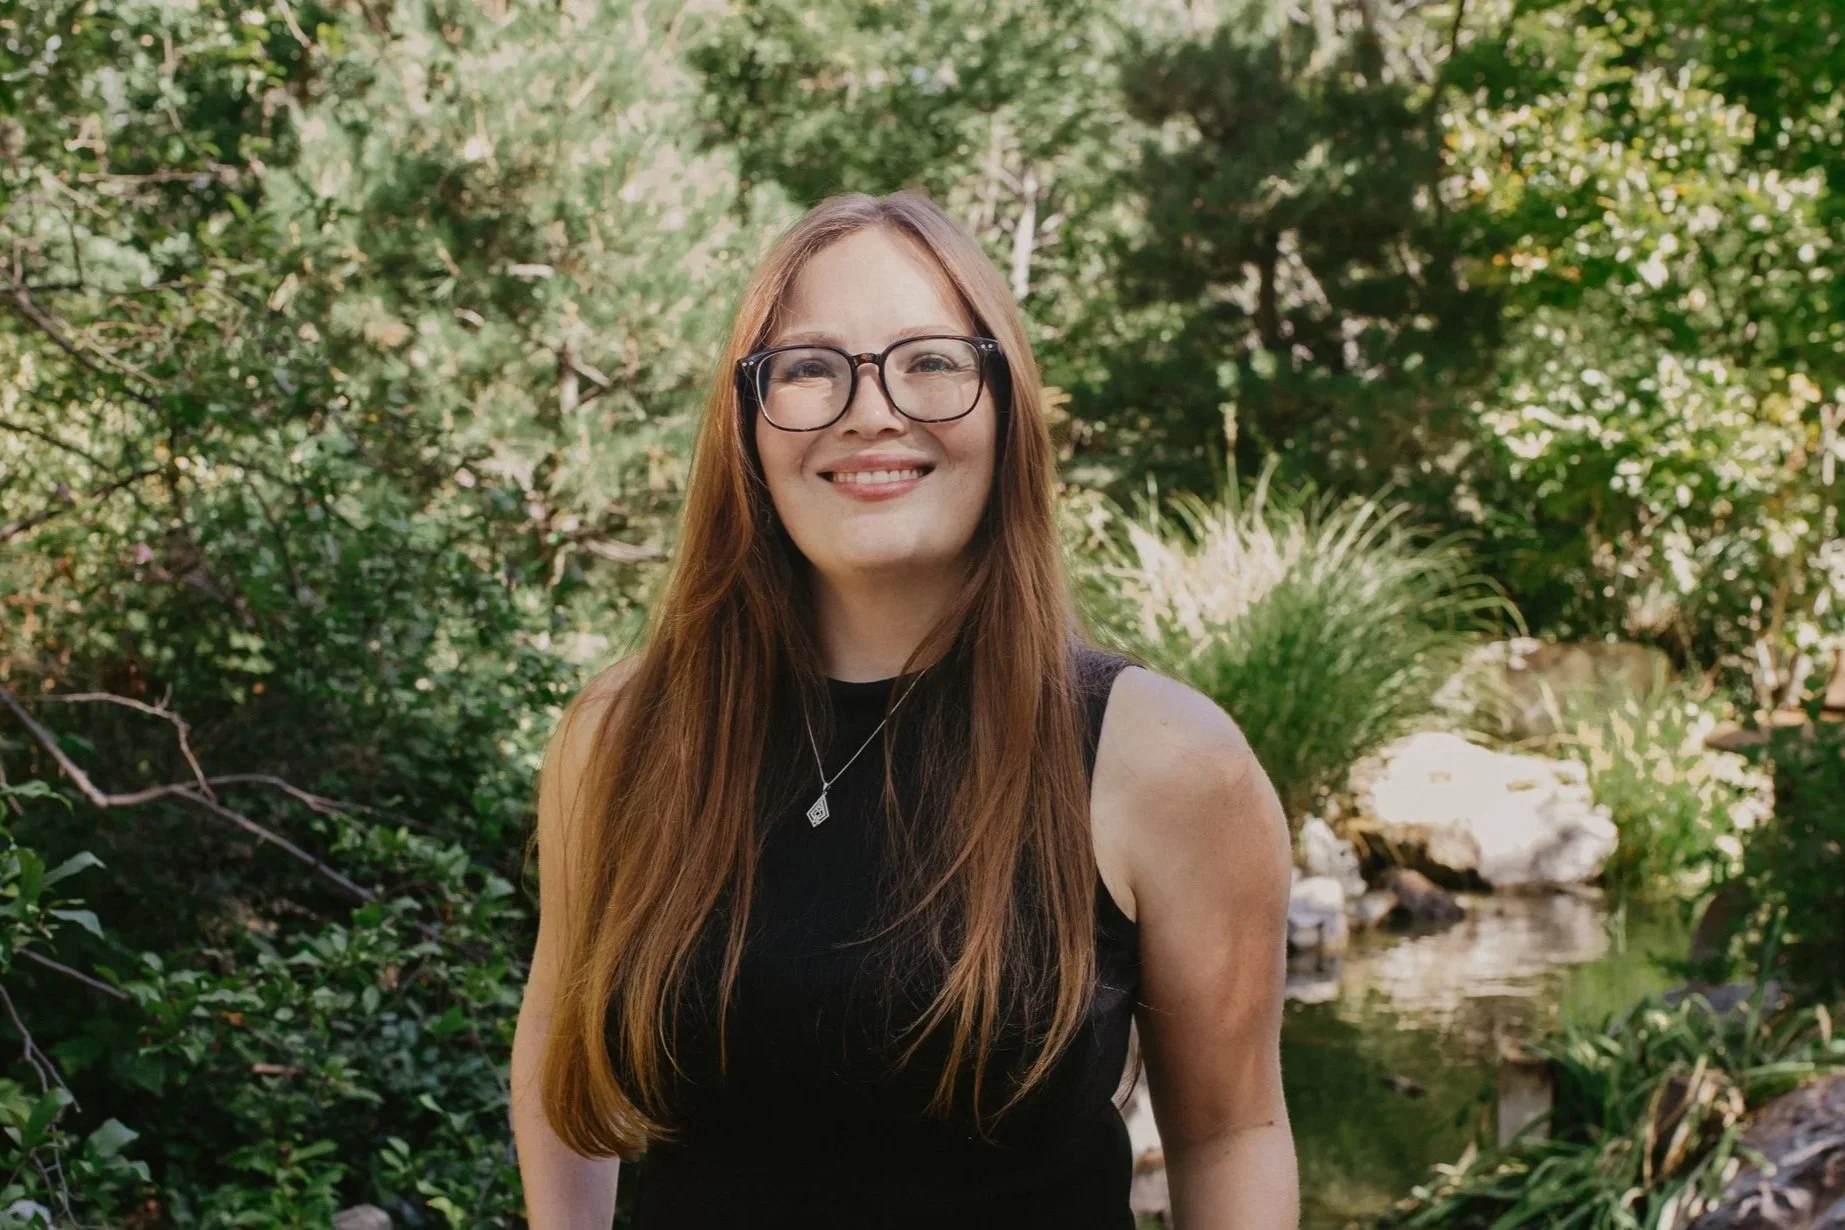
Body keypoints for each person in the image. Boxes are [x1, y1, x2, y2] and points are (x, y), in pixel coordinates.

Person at [510, 190, 1298, 1229]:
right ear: (746, 422)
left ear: (1005, 402)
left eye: (931, 360)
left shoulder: (1161, 757)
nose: (871, 409)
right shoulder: (625, 738)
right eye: (808, 368)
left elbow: (1230, 1132)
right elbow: (561, 1071)